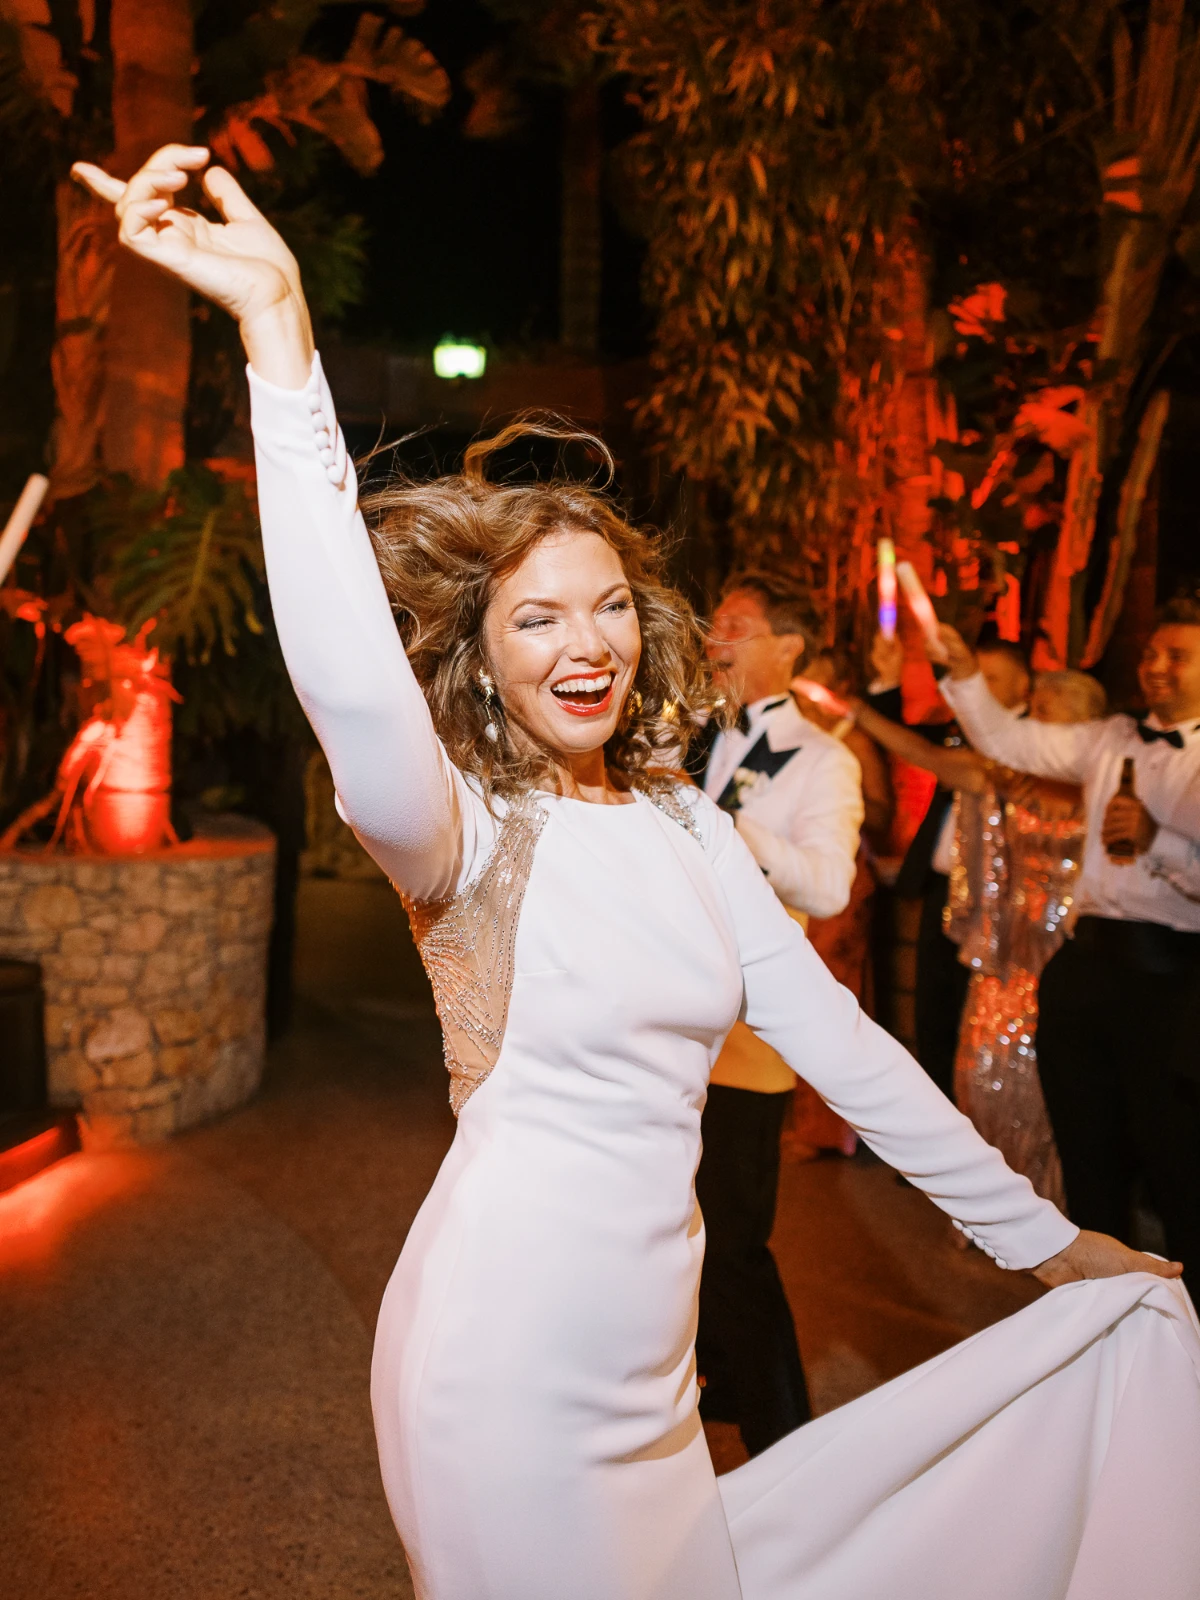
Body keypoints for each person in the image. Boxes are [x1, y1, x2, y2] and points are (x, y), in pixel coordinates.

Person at [75, 145, 1200, 1600]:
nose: (585, 642)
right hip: (499, 1371)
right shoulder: (461, 831)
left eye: (608, 606)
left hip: (655, 1385)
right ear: (481, 657)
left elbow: (844, 1047)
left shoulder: (685, 825)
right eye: (536, 619)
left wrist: (1045, 1250)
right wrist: (280, 340)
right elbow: (351, 682)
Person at [933, 609, 1200, 1286]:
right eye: (1151, 654)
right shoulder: (1110, 739)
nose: (1156, 667)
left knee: (1175, 1162)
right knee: (1088, 1155)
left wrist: (1157, 844)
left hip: (1172, 981)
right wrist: (964, 675)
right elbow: (1008, 741)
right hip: (1083, 968)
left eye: (1178, 656)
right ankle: (1101, 1320)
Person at [689, 576, 863, 1456]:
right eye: (714, 621)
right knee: (676, 1222)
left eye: (736, 625)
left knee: (734, 1236)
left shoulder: (825, 761)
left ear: (789, 646)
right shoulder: (685, 734)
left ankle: (786, 1439)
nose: (716, 635)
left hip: (750, 1030)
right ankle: (713, 1377)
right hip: (667, 1019)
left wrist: (731, 831)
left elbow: (829, 885)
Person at [866, 632, 1031, 1099]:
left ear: (1024, 687)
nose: (973, 687)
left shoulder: (1029, 745)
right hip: (941, 888)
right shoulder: (959, 731)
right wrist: (887, 682)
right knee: (930, 1012)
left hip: (996, 898)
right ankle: (936, 1132)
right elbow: (903, 738)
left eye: (989, 679)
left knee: (975, 1016)